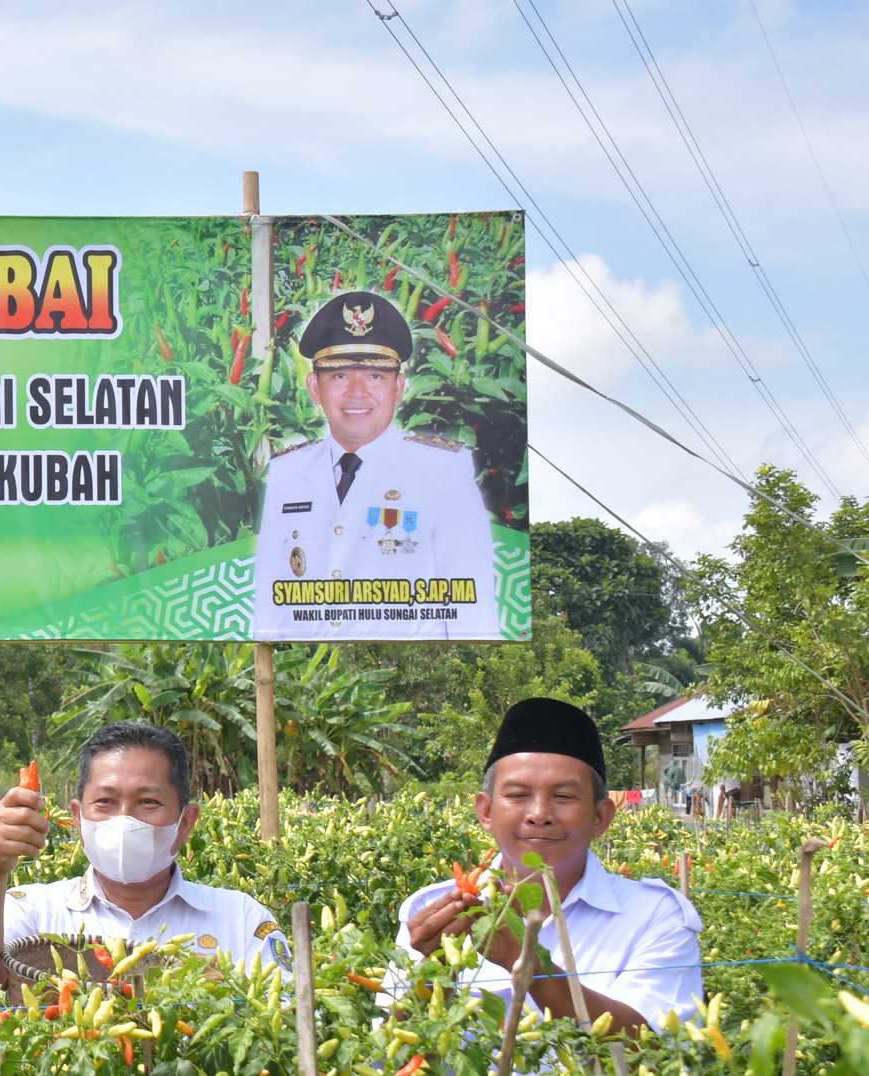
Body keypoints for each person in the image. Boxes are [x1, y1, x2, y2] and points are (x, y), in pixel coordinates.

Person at [397, 697, 703, 1034]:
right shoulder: (430, 910)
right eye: (517, 795)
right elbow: (390, 1049)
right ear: (485, 812)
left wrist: (527, 963)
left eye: (564, 797)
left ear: (600, 817)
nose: (539, 814)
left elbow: (654, 1044)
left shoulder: (655, 916)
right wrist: (435, 969)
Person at [0, 720, 289, 996]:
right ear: (78, 818)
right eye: (105, 802)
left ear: (186, 822)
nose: (124, 819)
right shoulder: (32, 910)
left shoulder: (242, 919)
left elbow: (291, 1019)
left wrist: (229, 987)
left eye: (148, 802)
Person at [253, 290, 500, 641]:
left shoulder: (442, 470)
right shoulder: (287, 472)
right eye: (339, 376)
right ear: (314, 388)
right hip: (306, 669)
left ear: (398, 387)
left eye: (375, 377)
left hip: (411, 669)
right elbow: (269, 600)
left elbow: (471, 605)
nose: (357, 392)